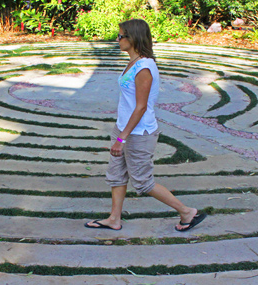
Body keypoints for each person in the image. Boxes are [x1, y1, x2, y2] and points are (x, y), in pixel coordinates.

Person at [84, 18, 207, 232]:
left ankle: (187, 212)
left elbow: (140, 107)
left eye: (121, 36)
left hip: (139, 133)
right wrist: (119, 134)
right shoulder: (133, 62)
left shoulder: (144, 68)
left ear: (133, 39)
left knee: (142, 182)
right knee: (116, 175)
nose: (118, 39)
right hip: (123, 128)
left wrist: (121, 139)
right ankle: (114, 219)